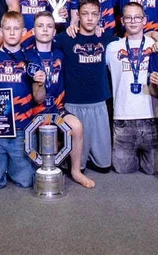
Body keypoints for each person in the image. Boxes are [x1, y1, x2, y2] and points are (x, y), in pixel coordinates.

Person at [26, 11, 95, 188]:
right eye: (40, 26)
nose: (45, 30)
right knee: (29, 171)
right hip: (34, 112)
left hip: (56, 109)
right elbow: (37, 98)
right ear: (33, 31)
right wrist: (39, 84)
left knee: (76, 126)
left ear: (54, 32)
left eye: (49, 26)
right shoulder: (27, 56)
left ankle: (76, 171)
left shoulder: (60, 54)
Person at [0, 11, 38, 189]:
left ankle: (12, 164)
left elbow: (38, 96)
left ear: (23, 32)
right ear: (0, 31)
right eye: (7, 29)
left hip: (21, 128)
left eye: (16, 29)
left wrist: (40, 82)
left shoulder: (30, 58)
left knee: (26, 182)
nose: (11, 32)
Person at [54, 0, 114, 173]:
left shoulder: (106, 39)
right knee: (76, 165)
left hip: (98, 103)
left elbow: (133, 41)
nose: (89, 18)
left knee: (104, 166)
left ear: (99, 16)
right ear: (78, 15)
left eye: (94, 14)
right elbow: (42, 42)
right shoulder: (66, 38)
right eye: (85, 13)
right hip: (74, 104)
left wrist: (156, 37)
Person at [106, 3, 158, 175]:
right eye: (128, 18)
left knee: (155, 170)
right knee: (123, 169)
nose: (133, 21)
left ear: (144, 20)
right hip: (123, 118)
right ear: (122, 21)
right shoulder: (112, 48)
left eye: (137, 17)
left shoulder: (156, 45)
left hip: (151, 116)